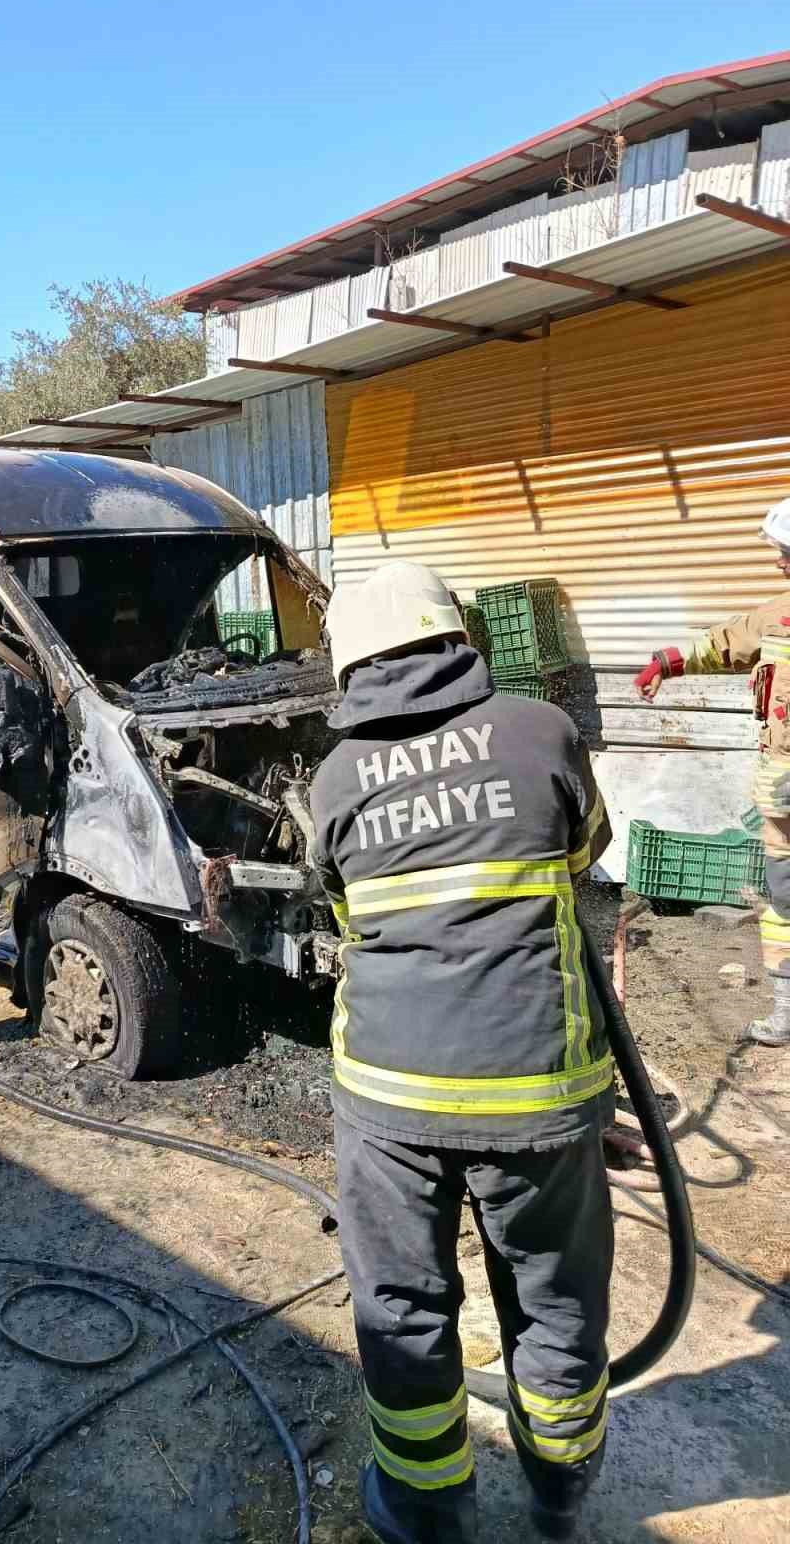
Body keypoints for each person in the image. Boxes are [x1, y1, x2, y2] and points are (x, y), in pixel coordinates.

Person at [310, 561, 614, 1544]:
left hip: (390, 1103)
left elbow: (348, 916)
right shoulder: (541, 732)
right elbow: (582, 856)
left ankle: (426, 1508)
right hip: (538, 1090)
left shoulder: (337, 778)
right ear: (457, 634)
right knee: (555, 1306)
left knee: (402, 1307)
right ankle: (560, 1496)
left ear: (349, 662)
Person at [634, 497, 790, 1046]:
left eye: (786, 554)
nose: (779, 564)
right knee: (786, 897)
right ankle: (787, 1009)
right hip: (784, 799)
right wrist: (668, 663)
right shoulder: (781, 615)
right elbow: (728, 641)